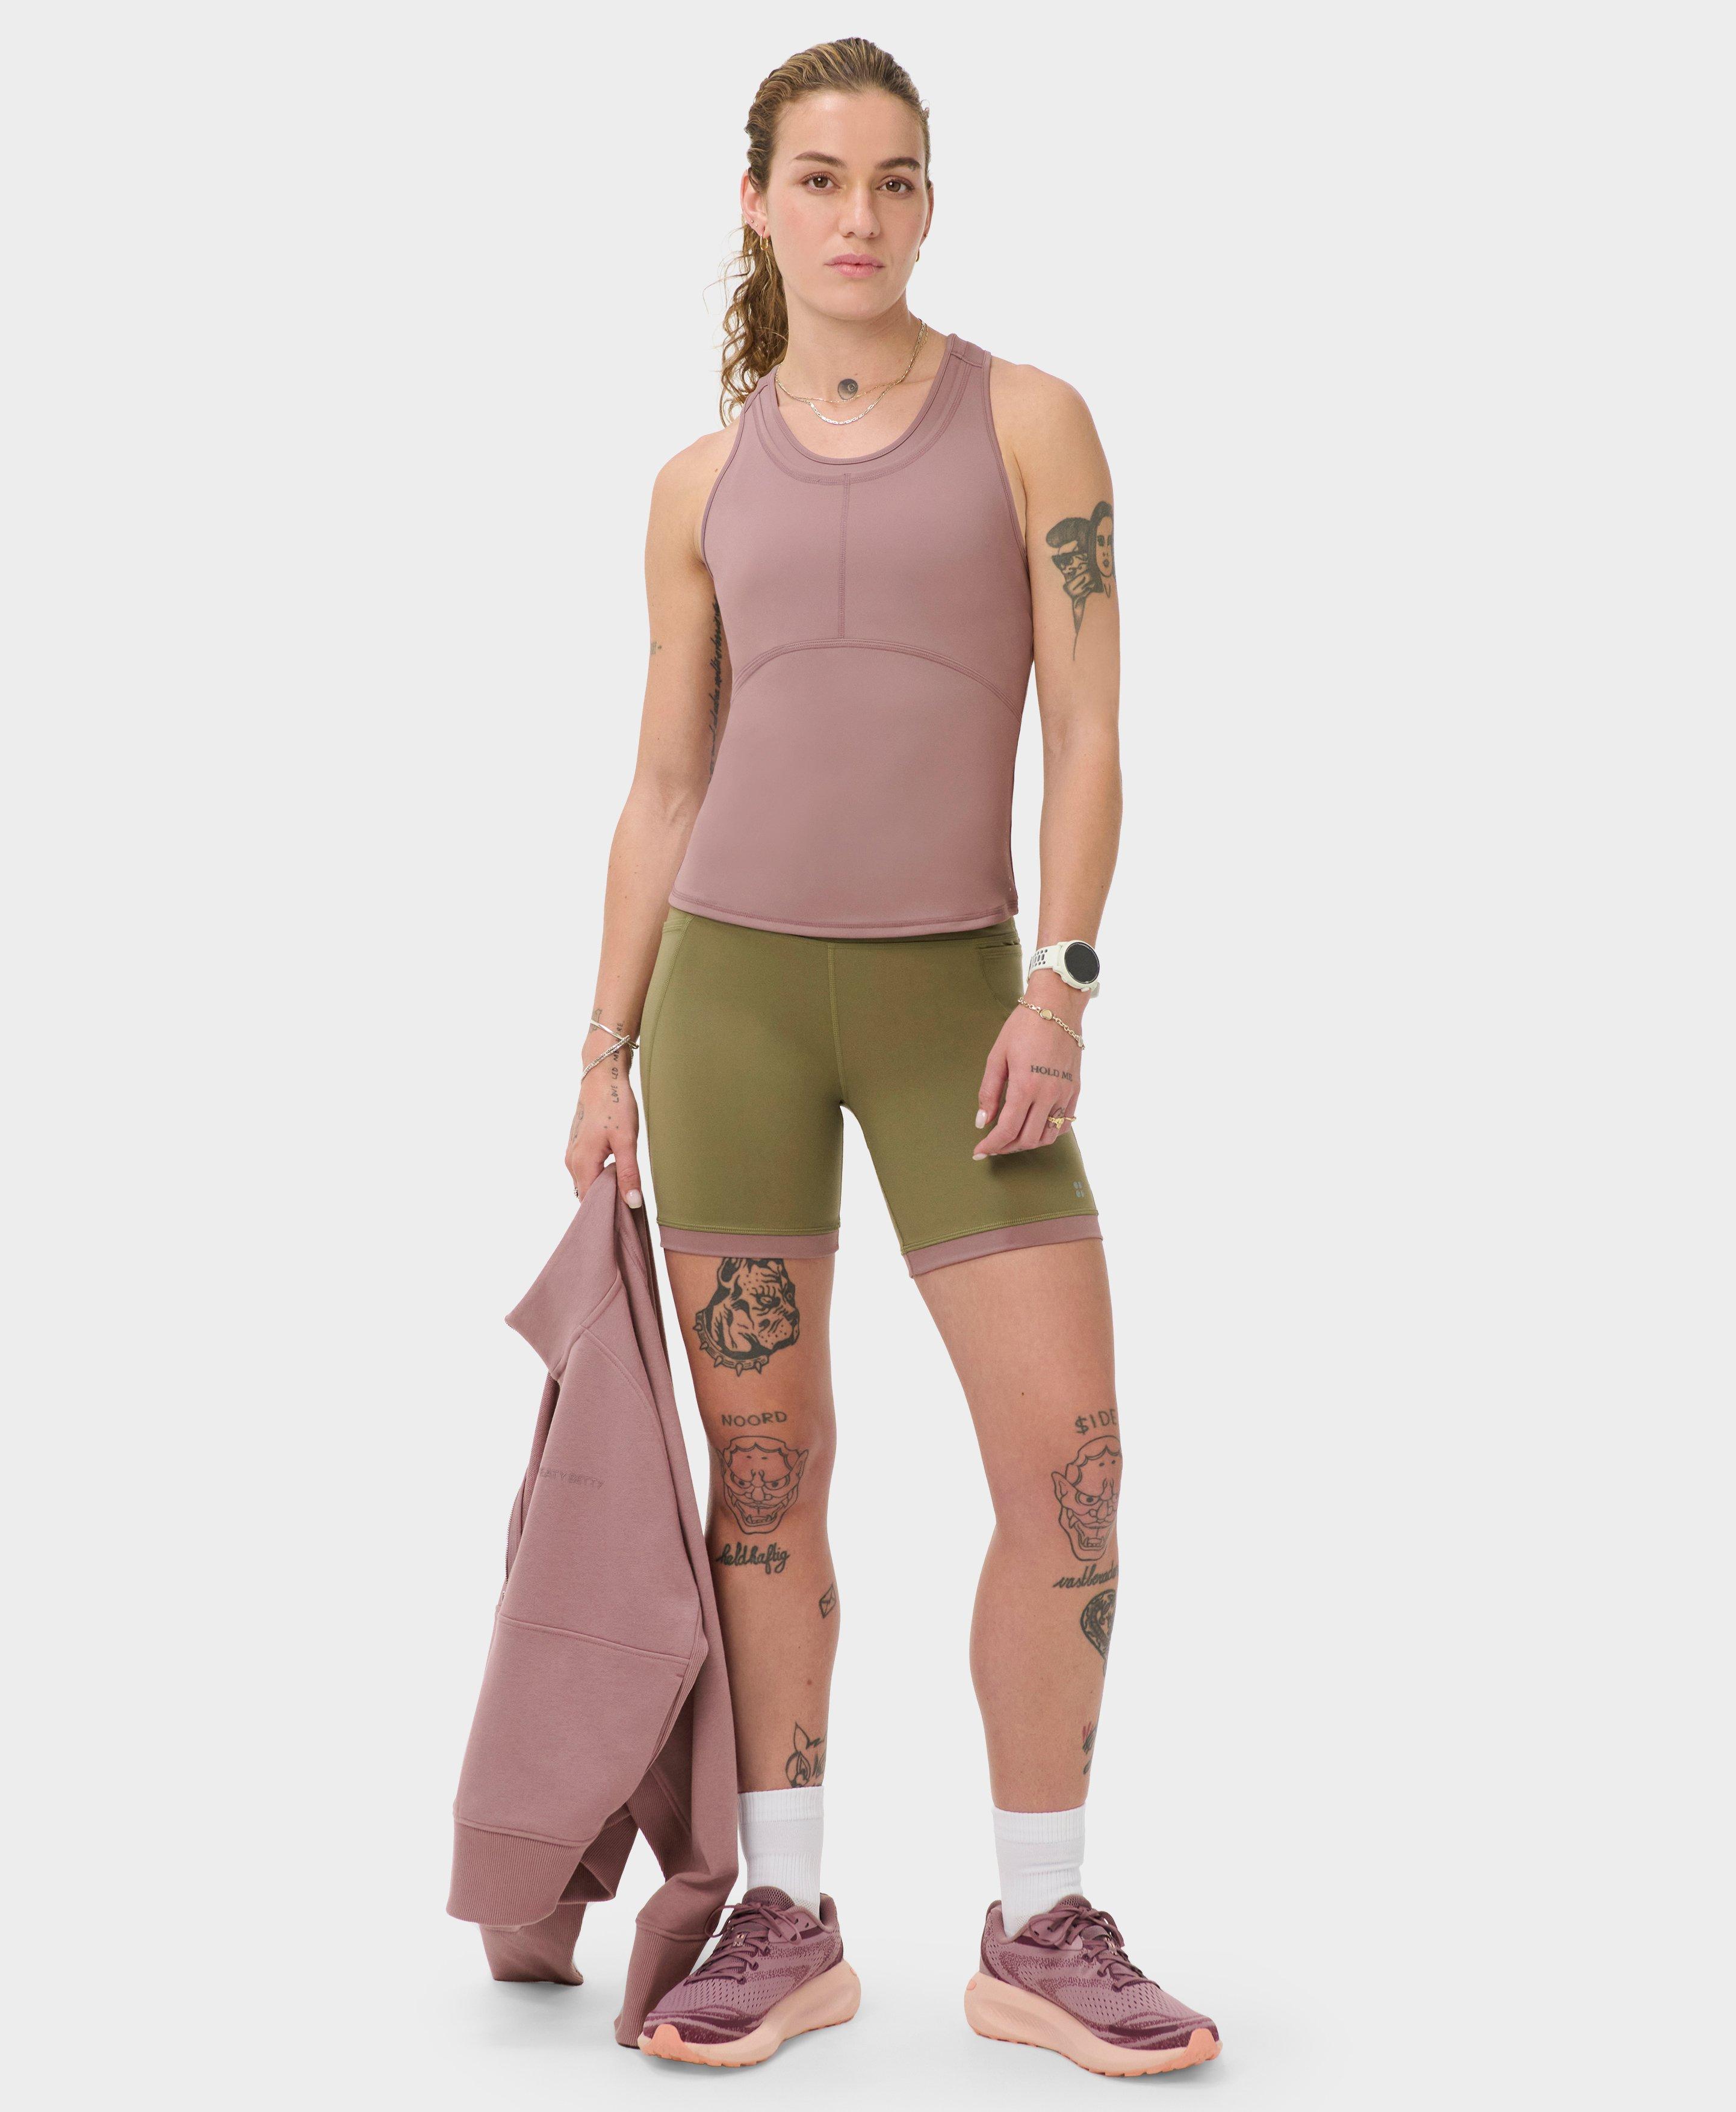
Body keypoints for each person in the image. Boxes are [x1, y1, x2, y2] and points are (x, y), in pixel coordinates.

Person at [564, 37, 1220, 2079]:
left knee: (1070, 1470)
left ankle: (1039, 1920)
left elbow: (1090, 730)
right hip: (731, 1007)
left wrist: (1063, 984)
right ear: (757, 202)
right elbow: (665, 782)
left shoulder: (1029, 420)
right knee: (767, 1478)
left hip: (962, 1009)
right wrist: (601, 1048)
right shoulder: (697, 486)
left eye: (898, 179)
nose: (861, 215)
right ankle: (785, 1911)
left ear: (930, 201)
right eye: (823, 178)